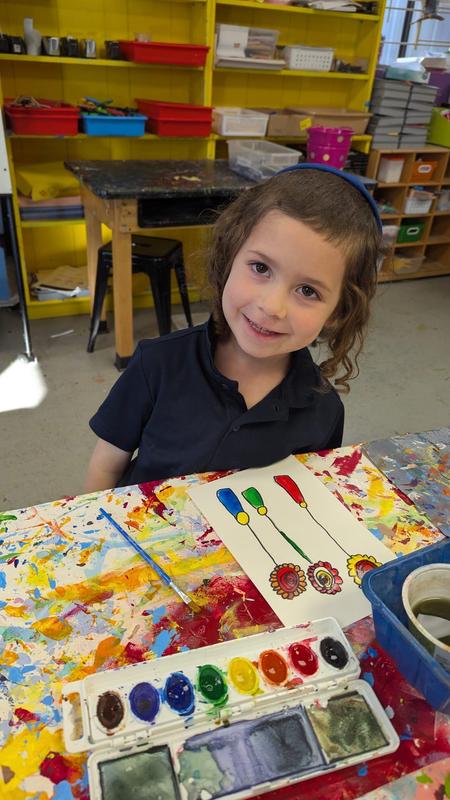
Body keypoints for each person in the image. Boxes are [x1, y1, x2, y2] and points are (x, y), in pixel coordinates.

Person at [85, 164, 382, 492]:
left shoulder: (323, 409)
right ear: (229, 257)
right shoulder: (156, 364)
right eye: (261, 267)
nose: (272, 306)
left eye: (308, 291)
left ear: (339, 311)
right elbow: (105, 467)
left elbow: (303, 495)